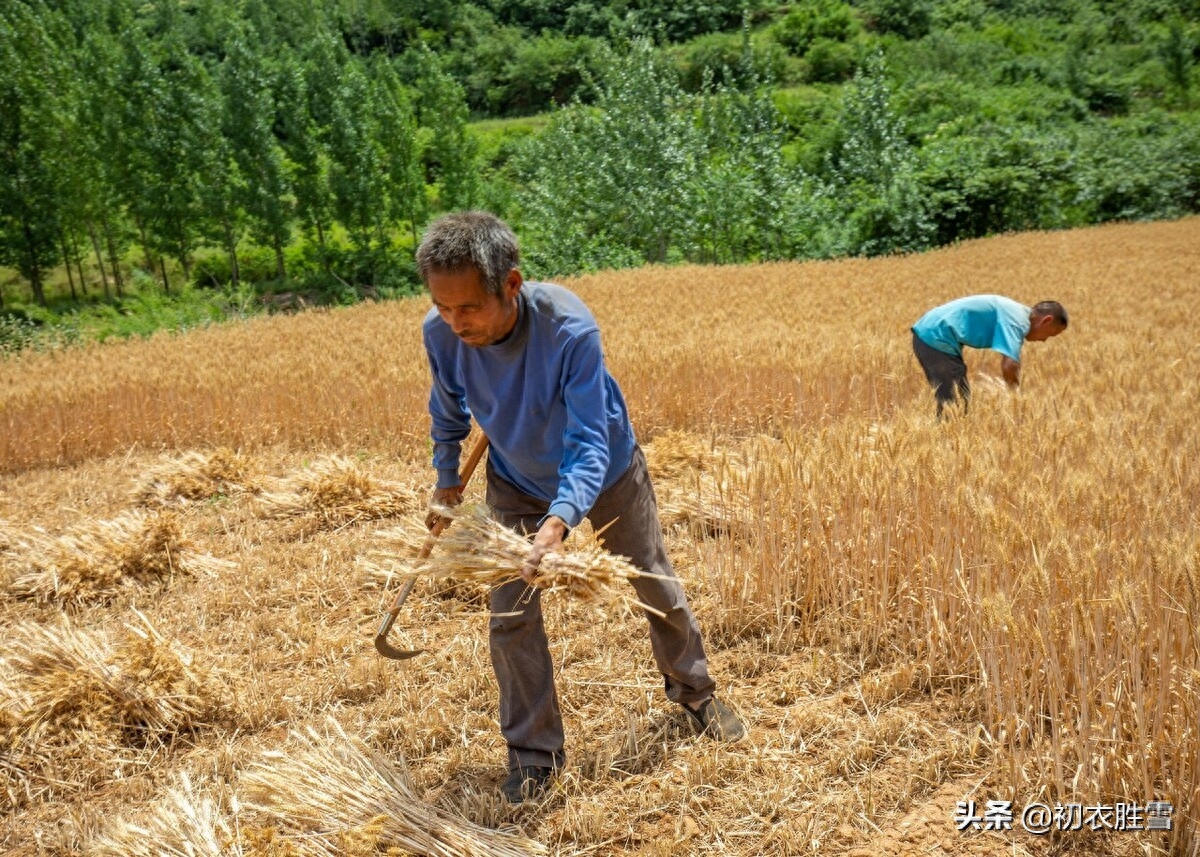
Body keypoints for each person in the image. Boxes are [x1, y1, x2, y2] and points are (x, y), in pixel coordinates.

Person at [416, 211, 745, 804]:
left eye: (469, 307)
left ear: (511, 285)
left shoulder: (568, 329)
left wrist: (560, 520)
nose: (455, 321)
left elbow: (589, 441)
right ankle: (533, 754)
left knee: (649, 575)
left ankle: (696, 693)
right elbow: (448, 412)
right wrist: (445, 479)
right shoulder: (441, 336)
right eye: (443, 306)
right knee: (510, 613)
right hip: (514, 477)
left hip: (606, 468)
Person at [911, 295, 1068, 417]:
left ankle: (945, 443)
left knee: (958, 399)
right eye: (1050, 334)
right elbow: (1010, 365)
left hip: (933, 332)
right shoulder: (1017, 321)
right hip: (935, 334)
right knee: (954, 403)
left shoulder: (1016, 313)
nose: (1044, 340)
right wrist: (1016, 400)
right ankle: (943, 445)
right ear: (1046, 321)